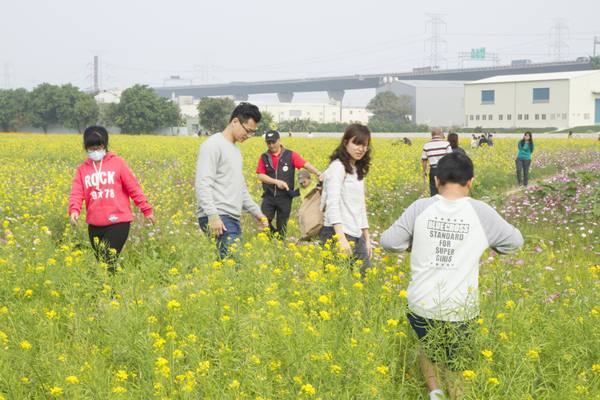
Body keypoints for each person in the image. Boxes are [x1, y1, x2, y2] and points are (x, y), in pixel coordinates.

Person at [380, 152, 523, 400]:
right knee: (456, 365)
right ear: (470, 182)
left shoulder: (420, 207)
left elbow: (389, 243)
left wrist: (412, 243)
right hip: (461, 308)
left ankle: (435, 394)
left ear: (436, 181)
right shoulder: (482, 211)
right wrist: (487, 244)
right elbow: (515, 243)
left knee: (428, 347)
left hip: (421, 303)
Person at [68, 126, 156, 274]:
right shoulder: (82, 169)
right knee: (102, 264)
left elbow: (134, 188)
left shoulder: (118, 163)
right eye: (91, 148)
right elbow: (77, 192)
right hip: (95, 223)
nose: (95, 152)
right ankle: (112, 291)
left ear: (105, 145)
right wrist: (74, 210)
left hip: (118, 221)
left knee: (107, 259)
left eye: (98, 147)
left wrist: (146, 210)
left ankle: (110, 294)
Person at [195, 102, 267, 259]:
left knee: (229, 271)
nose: (248, 136)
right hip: (220, 217)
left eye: (252, 133)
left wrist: (255, 211)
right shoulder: (213, 145)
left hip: (230, 218)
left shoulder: (234, 149)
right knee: (235, 268)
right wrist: (213, 217)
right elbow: (203, 184)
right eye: (248, 131)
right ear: (235, 122)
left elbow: (239, 187)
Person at [320, 124, 372, 277]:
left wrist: (367, 239)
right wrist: (340, 238)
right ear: (345, 143)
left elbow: (361, 207)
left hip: (356, 235)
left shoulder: (357, 170)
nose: (361, 149)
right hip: (337, 234)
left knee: (367, 280)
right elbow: (332, 205)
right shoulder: (337, 168)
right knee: (335, 285)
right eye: (356, 143)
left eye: (365, 145)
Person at [256, 130, 323, 237]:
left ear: (279, 141)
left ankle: (279, 243)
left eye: (274, 142)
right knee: (264, 222)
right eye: (269, 143)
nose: (271, 145)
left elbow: (305, 165)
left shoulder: (290, 155)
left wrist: (317, 173)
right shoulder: (264, 157)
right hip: (269, 196)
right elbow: (261, 176)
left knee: (282, 226)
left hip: (285, 197)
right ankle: (274, 236)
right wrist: (276, 182)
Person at [422, 127, 452, 197]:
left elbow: (424, 160)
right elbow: (450, 158)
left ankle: (435, 205)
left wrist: (424, 171)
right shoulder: (446, 144)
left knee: (434, 191)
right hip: (444, 170)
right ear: (441, 134)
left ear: (431, 134)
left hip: (433, 170)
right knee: (445, 189)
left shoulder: (426, 145)